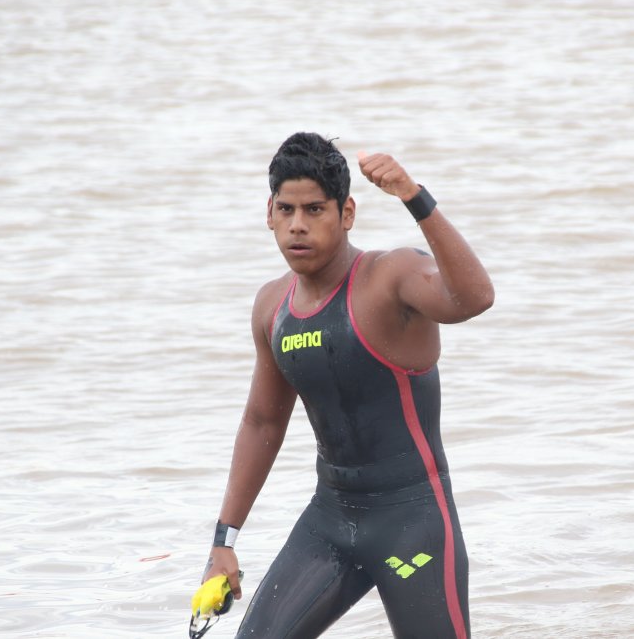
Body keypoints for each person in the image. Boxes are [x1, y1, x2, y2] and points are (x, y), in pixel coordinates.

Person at [199, 132, 494, 638]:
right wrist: (224, 539)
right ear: (268, 212)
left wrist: (414, 197)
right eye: (287, 209)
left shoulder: (390, 277)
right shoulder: (274, 307)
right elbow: (262, 421)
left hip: (413, 521)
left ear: (347, 213)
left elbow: (474, 297)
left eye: (315, 210)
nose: (298, 225)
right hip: (329, 522)